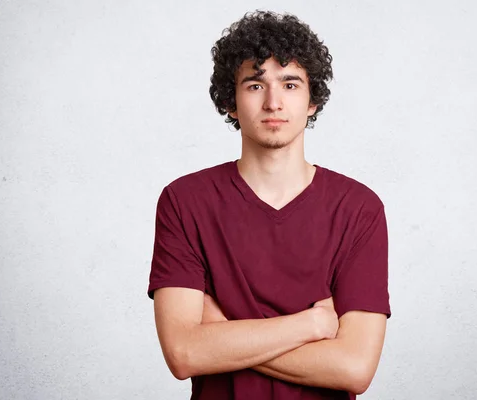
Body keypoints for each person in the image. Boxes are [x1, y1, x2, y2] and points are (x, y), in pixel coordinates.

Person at [147, 10, 391, 400]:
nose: (274, 102)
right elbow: (184, 353)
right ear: (231, 101)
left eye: (291, 84)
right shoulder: (184, 201)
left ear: (313, 101)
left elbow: (354, 368)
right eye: (255, 85)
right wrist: (312, 324)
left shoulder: (359, 209)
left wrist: (221, 335)